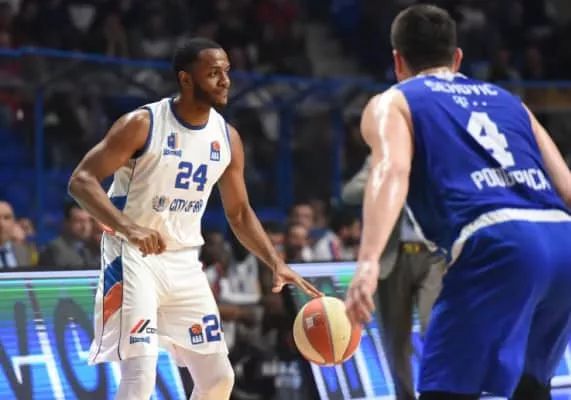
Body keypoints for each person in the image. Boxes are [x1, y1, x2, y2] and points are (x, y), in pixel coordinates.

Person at [68, 37, 321, 400]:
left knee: (218, 380)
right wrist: (129, 228)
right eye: (214, 73)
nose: (225, 80)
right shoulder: (142, 124)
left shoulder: (227, 138)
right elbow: (81, 181)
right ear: (186, 79)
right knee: (140, 375)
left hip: (185, 262)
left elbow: (239, 212)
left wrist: (275, 262)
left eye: (227, 72)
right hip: (132, 257)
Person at [345, 5, 571, 400]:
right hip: (563, 243)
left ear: (398, 61)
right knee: (531, 388)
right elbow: (566, 186)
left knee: (444, 390)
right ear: (458, 57)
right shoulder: (510, 101)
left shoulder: (393, 102)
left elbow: (392, 170)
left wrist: (367, 262)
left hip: (498, 241)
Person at [342, 154, 445, 399]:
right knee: (395, 339)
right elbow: (349, 193)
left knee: (435, 329)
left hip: (433, 255)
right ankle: (404, 395)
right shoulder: (382, 155)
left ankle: (440, 392)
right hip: (393, 257)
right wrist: (389, 175)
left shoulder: (438, 149)